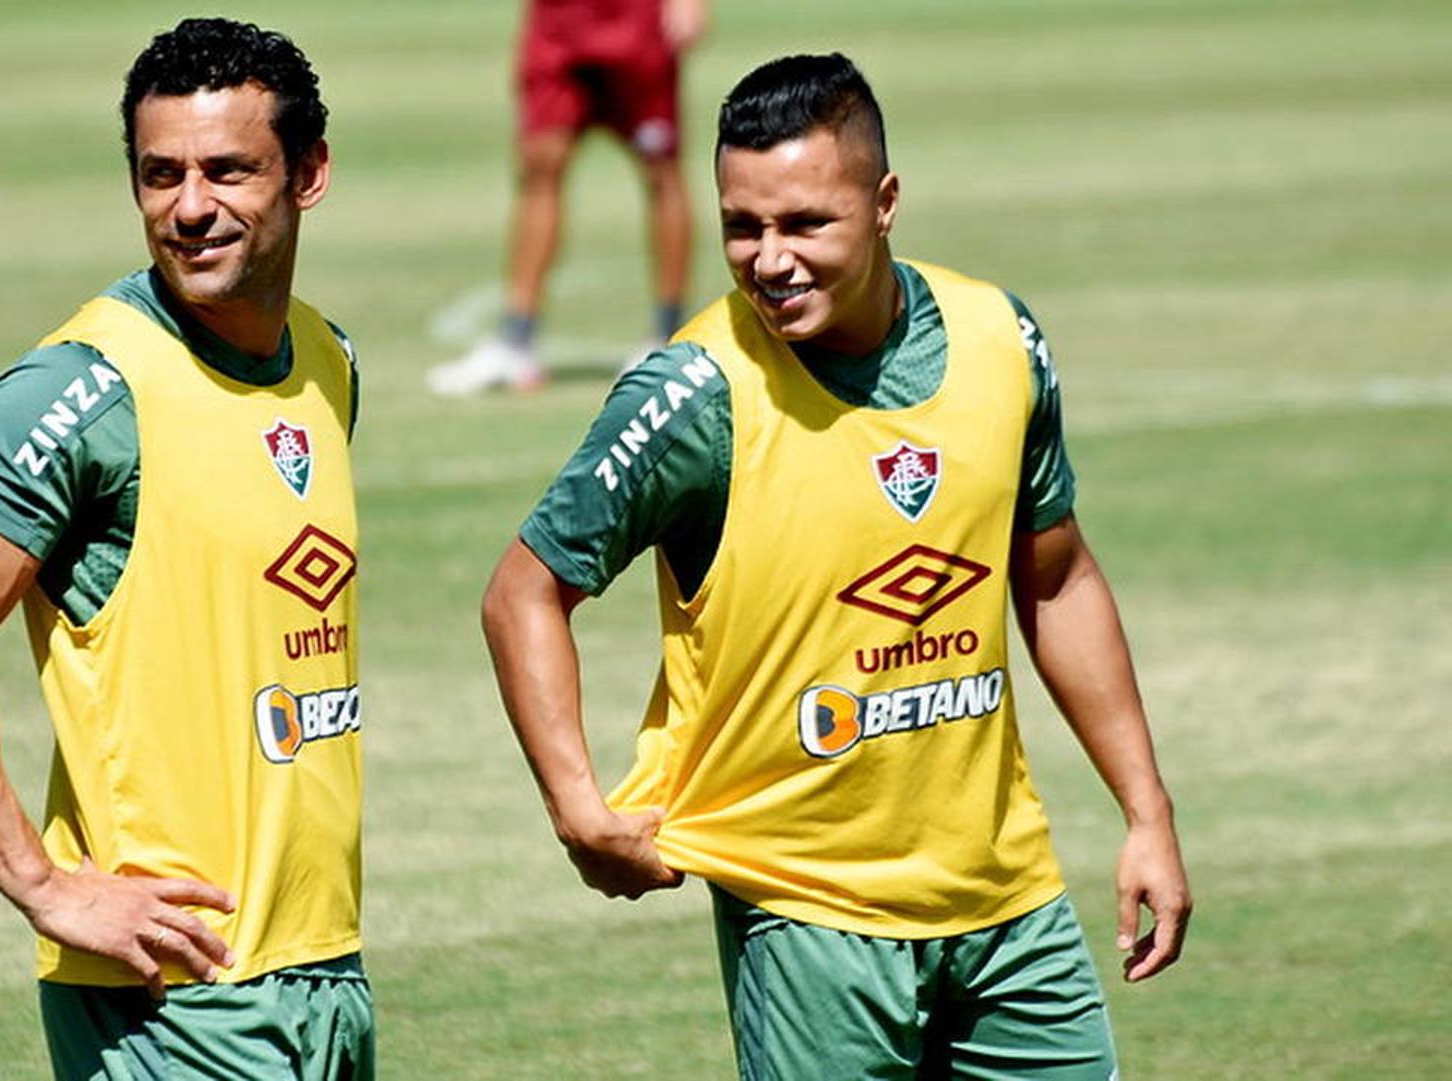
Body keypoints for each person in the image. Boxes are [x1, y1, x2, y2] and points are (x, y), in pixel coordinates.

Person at [481, 53, 1191, 1079]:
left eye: (806, 223)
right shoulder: (695, 392)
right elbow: (524, 592)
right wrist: (578, 806)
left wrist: (1146, 815)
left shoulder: (1002, 337)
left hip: (1012, 906)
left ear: (885, 201)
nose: (770, 259)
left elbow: (1057, 577)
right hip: (807, 916)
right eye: (742, 226)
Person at [0, 19, 372, 1080]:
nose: (189, 207)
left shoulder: (327, 360)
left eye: (229, 170)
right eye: (160, 174)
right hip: (169, 998)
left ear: (309, 174)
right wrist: (46, 886)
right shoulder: (83, 389)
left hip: (323, 968)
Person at [426, 0, 710, 395]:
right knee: (539, 165)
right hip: (558, 22)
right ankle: (516, 339)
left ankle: (668, 334)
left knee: (661, 169)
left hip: (636, 21)